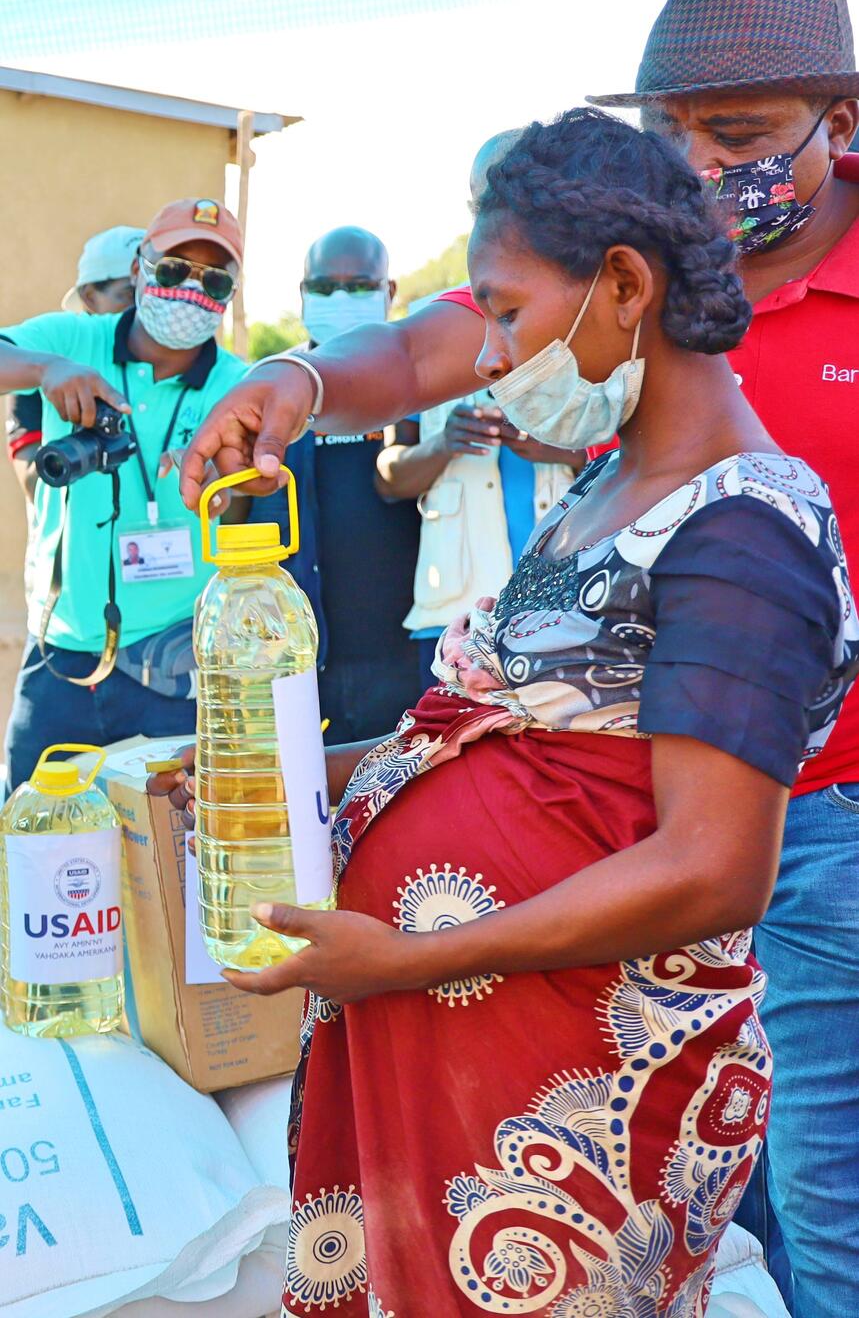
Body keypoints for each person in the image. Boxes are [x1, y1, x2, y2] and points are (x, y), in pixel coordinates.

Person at [175, 108, 855, 1316]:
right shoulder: (604, 490)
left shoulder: (741, 526)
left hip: (566, 1127)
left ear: (625, 287)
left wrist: (414, 955)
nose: (485, 356)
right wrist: (285, 773)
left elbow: (713, 869)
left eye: (501, 309)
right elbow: (513, 737)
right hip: (465, 1085)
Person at [585, 0, 859, 1316]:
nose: (693, 166)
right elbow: (461, 332)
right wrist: (294, 376)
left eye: (737, 135)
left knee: (829, 1207)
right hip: (656, 823)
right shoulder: (640, 272)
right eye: (666, 132)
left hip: (832, 827)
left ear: (839, 128)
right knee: (701, 1190)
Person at [1, 197, 248, 791]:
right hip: (61, 656)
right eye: (171, 269)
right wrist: (45, 370)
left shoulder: (238, 383)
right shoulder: (72, 339)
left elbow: (238, 508)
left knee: (168, 862)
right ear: (138, 269)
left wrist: (221, 490)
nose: (191, 291)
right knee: (31, 846)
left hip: (171, 666)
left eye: (213, 278)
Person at [377, 133, 582, 688]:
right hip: (457, 619)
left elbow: (640, 457)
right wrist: (444, 445)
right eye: (487, 200)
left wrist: (558, 448)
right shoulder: (433, 321)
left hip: (564, 614)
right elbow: (389, 476)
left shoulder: (589, 307)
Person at [249, 226, 421, 742]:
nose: (340, 299)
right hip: (296, 665)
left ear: (389, 293)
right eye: (323, 288)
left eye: (359, 284)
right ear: (301, 294)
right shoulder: (273, 386)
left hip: (407, 660)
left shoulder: (422, 384)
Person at [7, 224, 144, 505]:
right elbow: (33, 481)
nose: (143, 306)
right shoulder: (45, 353)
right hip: (67, 545)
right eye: (130, 294)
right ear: (90, 297)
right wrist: (85, 447)